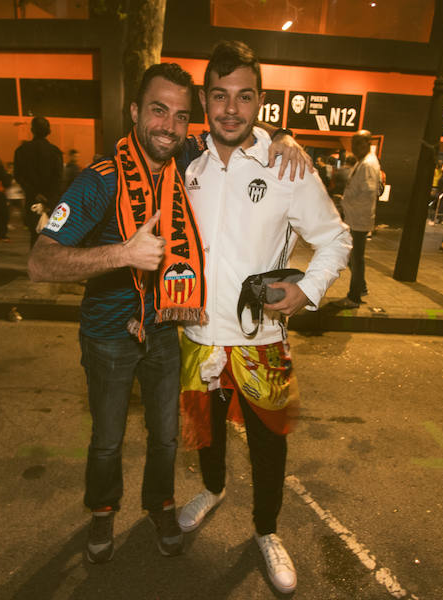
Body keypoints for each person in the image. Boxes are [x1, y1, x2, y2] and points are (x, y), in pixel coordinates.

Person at [28, 61, 310, 566]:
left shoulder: (185, 158)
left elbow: (239, 126)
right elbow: (40, 260)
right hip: (109, 335)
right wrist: (121, 254)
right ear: (135, 111)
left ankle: (159, 505)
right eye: (158, 111)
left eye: (181, 116)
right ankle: (102, 511)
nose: (169, 125)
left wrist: (283, 137)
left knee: (166, 435)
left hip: (165, 329)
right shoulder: (98, 181)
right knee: (108, 440)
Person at [177, 41, 351, 595]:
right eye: (220, 96)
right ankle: (211, 489)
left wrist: (309, 292)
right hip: (197, 334)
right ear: (204, 99)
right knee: (204, 431)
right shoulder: (183, 162)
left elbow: (336, 238)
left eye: (244, 97)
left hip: (260, 338)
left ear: (261, 102)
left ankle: (267, 529)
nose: (231, 109)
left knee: (269, 439)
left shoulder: (286, 165)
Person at [333, 130, 380, 308]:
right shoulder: (364, 162)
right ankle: (361, 287)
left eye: (357, 143)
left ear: (367, 144)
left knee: (356, 258)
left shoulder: (368, 164)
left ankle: (354, 296)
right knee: (354, 256)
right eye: (352, 144)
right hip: (356, 217)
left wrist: (347, 199)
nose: (354, 148)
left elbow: (367, 191)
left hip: (359, 219)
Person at [14, 116, 63, 247]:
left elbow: (18, 176)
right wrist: (49, 196)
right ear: (48, 131)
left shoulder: (21, 151)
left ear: (32, 130)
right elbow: (58, 178)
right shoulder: (55, 151)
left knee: (34, 234)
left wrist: (34, 192)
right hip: (51, 200)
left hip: (32, 199)